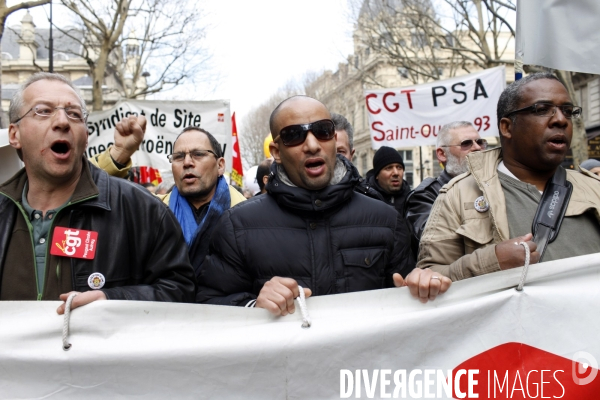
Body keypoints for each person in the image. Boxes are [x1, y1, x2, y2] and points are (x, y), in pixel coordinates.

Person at [197, 95, 448, 312]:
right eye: (294, 135)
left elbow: (408, 300)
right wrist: (254, 306)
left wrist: (421, 284)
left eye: (323, 131)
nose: (312, 144)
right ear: (276, 151)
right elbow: (210, 304)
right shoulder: (236, 226)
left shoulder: (385, 219)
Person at [0, 72, 196, 313]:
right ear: (14, 134)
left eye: (74, 114)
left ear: (86, 136)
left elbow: (181, 291)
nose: (62, 121)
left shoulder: (141, 210)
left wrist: (112, 301)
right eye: (43, 110)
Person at [417, 72, 600, 281]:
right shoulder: (457, 195)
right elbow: (429, 277)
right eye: (542, 110)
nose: (560, 120)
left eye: (567, 111)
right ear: (506, 127)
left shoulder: (594, 189)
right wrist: (491, 262)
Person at [156, 126, 246, 279]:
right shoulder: (153, 212)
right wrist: (119, 155)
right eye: (178, 157)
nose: (187, 162)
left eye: (198, 154)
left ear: (220, 165)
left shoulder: (248, 216)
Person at [404, 121, 486, 254]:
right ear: (442, 154)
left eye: (480, 142)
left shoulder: (496, 184)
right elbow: (435, 244)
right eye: (466, 143)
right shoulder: (426, 195)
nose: (477, 148)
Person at [355, 146, 411, 216]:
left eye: (399, 167)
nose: (396, 173)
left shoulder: (412, 201)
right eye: (389, 168)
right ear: (377, 175)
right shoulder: (362, 202)